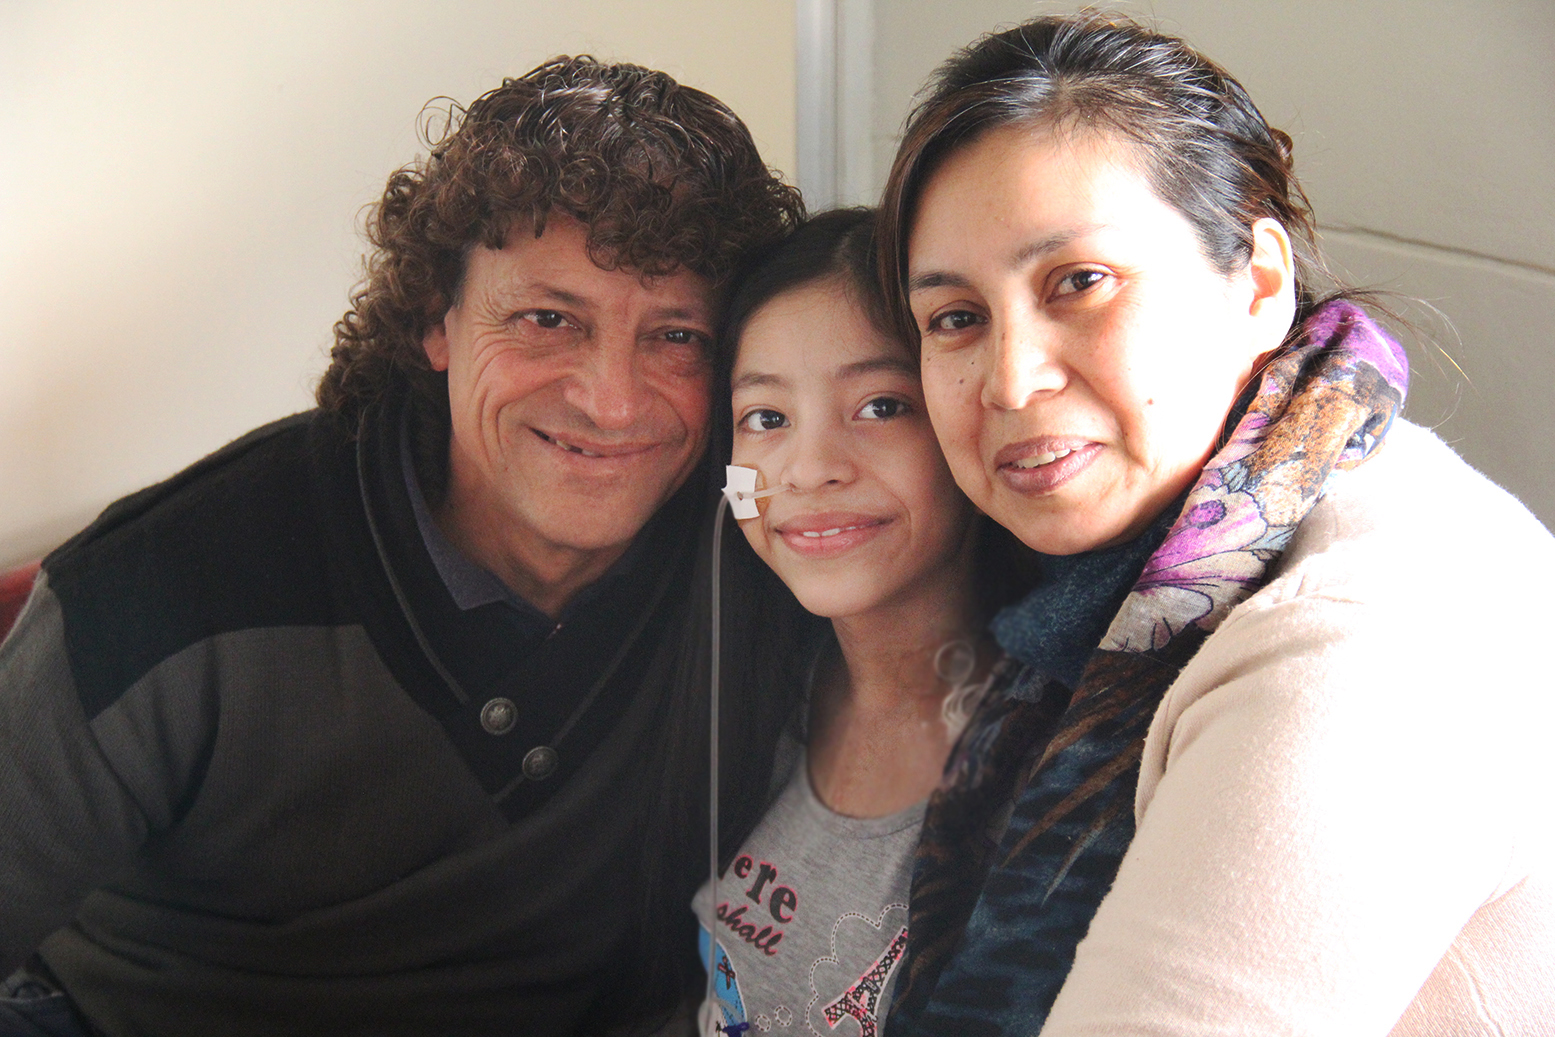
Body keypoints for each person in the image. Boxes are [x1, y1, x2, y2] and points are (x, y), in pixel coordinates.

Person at [0, 57, 801, 1037]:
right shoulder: (164, 583)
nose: (612, 399)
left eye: (677, 336)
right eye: (548, 319)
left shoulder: (760, 558)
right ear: (435, 321)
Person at [871, 13, 1555, 1036]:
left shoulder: (1365, 649)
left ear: (1260, 285)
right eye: (956, 318)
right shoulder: (1098, 590)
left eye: (1079, 283)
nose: (1009, 381)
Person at [688, 210, 1025, 1036]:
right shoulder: (755, 680)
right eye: (766, 418)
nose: (808, 469)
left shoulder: (1053, 760)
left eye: (880, 406)